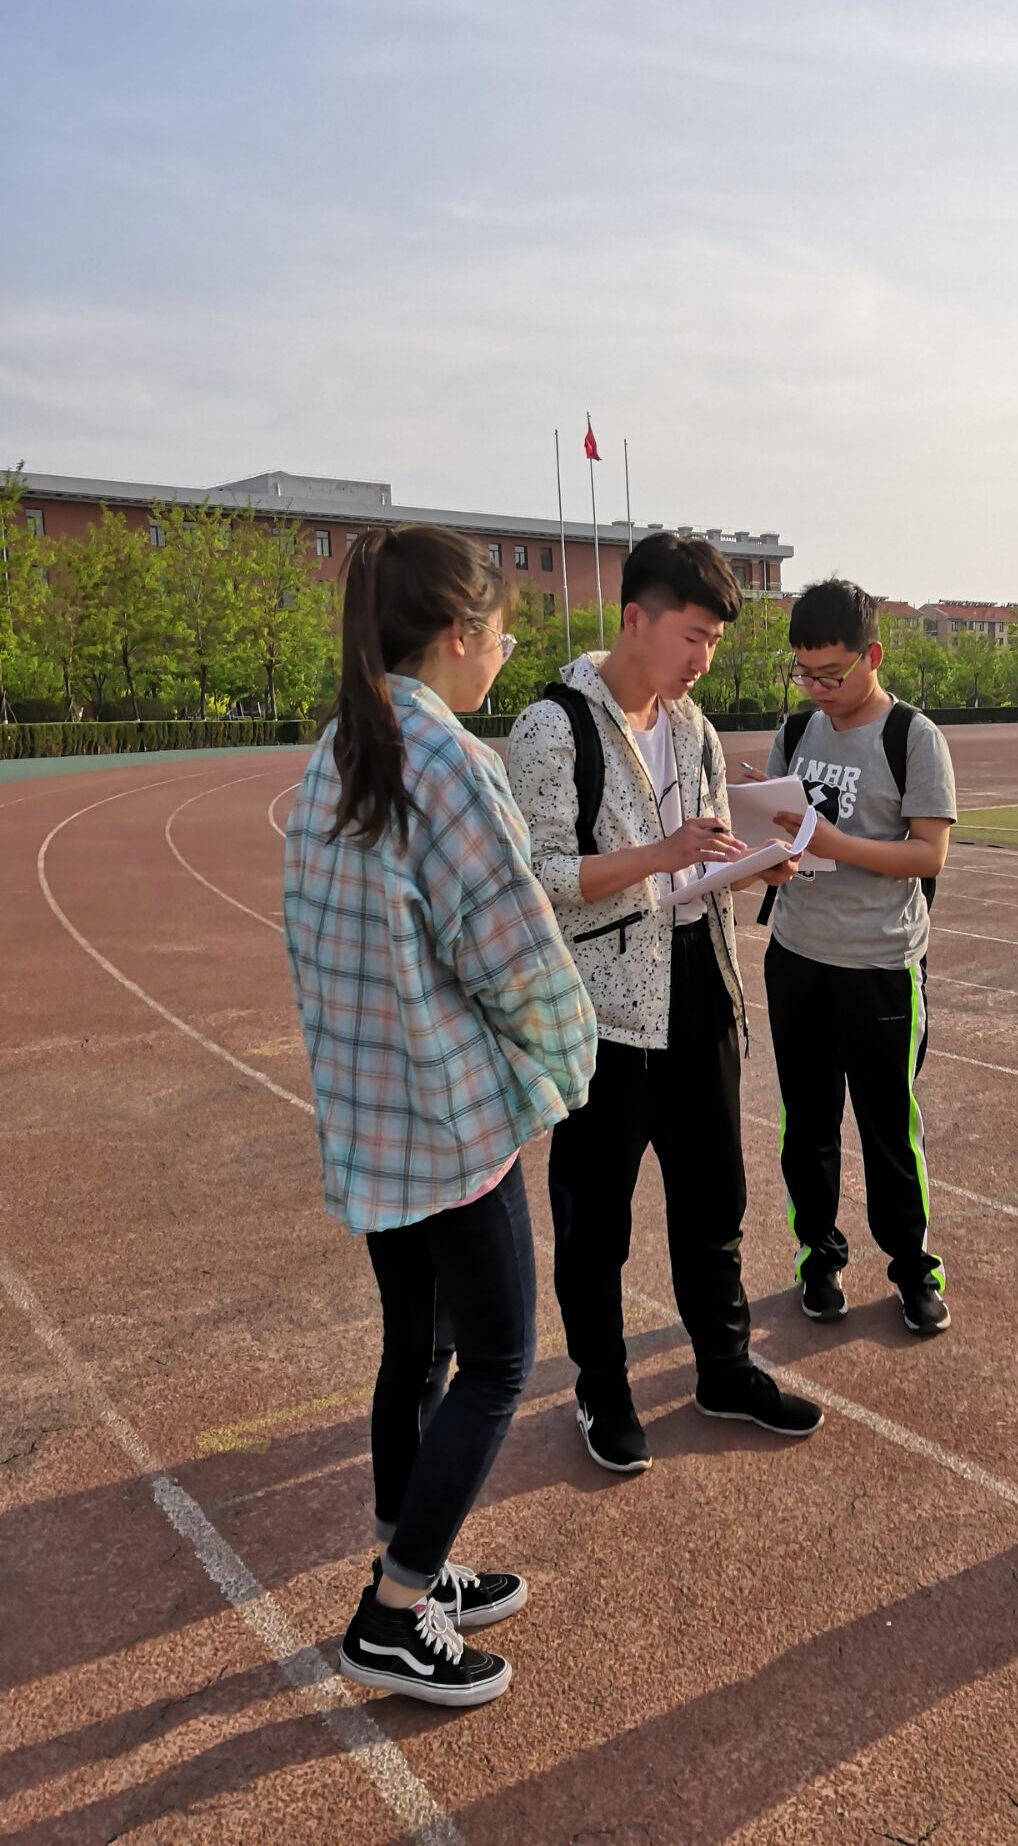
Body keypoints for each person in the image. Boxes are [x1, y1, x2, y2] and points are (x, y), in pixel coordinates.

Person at [283, 525, 597, 1705]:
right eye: (502, 636)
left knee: (416, 1350)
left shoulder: (340, 748)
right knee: (500, 1358)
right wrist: (572, 1063)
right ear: (460, 634)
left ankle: (407, 1557)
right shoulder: (448, 760)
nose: (504, 656)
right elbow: (513, 952)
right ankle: (394, 1611)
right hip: (449, 1124)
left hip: (371, 1114)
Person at [507, 531, 823, 1475]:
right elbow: (540, 877)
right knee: (596, 1218)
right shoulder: (552, 727)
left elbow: (701, 860)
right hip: (604, 1012)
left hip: (700, 985)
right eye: (692, 637)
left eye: (714, 643)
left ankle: (723, 1368)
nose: (702, 660)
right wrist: (663, 854)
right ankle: (602, 1391)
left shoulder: (693, 730)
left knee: (714, 1199)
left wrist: (758, 861)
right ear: (635, 619)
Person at [758, 578, 957, 1336]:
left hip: (879, 963)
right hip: (798, 955)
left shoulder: (911, 736)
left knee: (887, 1125)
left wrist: (835, 843)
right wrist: (768, 850)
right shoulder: (795, 732)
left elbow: (929, 853)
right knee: (807, 1123)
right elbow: (780, 845)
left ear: (871, 656)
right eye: (803, 673)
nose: (817, 689)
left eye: (831, 674)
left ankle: (912, 1267)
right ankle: (818, 1256)